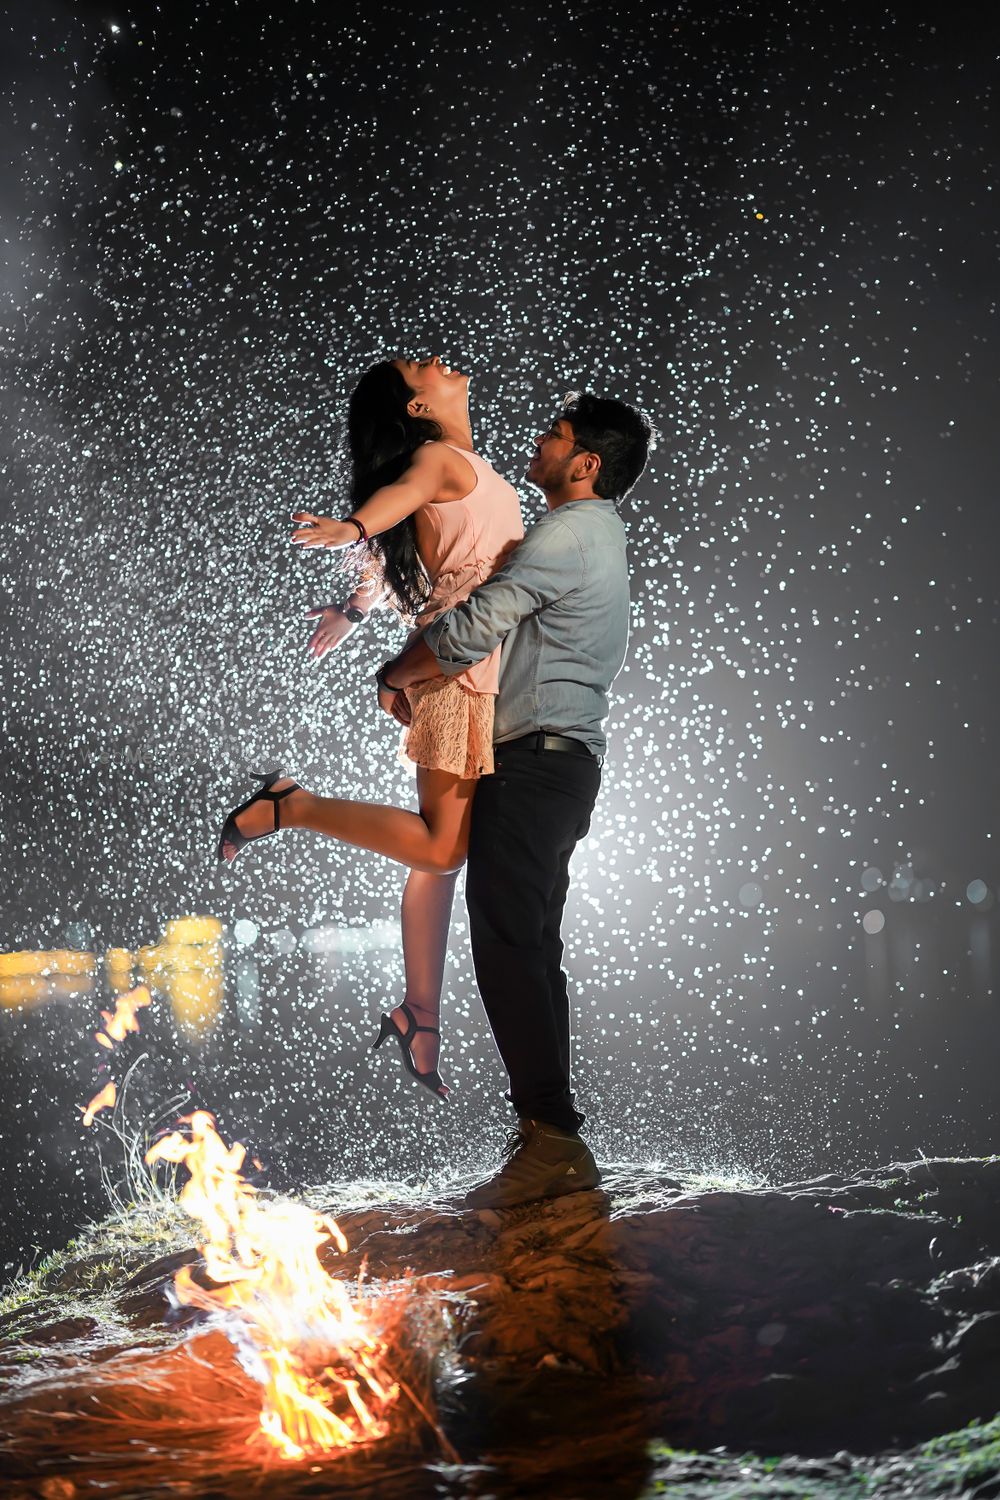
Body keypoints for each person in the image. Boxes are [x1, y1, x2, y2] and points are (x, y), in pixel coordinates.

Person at [216, 355, 524, 1101]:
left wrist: (355, 609)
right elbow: (401, 498)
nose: (435, 361)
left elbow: (411, 543)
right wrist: (352, 525)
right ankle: (289, 805)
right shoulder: (437, 459)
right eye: (418, 367)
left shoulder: (463, 464)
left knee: (436, 856)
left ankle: (420, 1015)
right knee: (443, 844)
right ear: (417, 409)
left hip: (478, 672)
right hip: (458, 676)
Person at [379, 391, 652, 1209]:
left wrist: (397, 671)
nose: (538, 440)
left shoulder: (567, 534)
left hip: (535, 764)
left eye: (554, 435)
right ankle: (550, 1132)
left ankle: (552, 1138)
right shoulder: (594, 535)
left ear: (586, 463)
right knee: (530, 948)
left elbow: (477, 624)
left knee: (507, 943)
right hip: (561, 766)